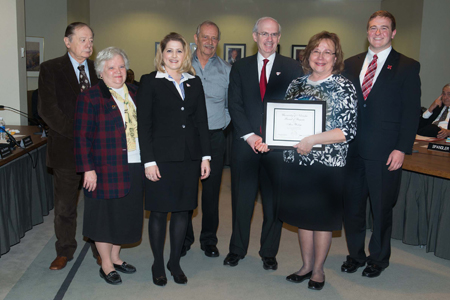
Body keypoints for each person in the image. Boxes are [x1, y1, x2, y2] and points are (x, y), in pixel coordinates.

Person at [258, 31, 357, 291]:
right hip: (297, 164)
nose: (321, 57)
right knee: (303, 218)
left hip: (327, 166)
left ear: (336, 57)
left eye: (327, 52)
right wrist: (274, 138)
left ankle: (319, 270)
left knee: (321, 220)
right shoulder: (297, 84)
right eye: (316, 51)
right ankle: (305, 265)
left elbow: (347, 131)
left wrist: (313, 139)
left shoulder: (343, 86)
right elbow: (287, 123)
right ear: (307, 55)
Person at [342, 11, 421, 278]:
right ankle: (355, 254)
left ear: (393, 33)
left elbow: (411, 112)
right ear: (367, 32)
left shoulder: (408, 66)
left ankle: (379, 258)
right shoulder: (350, 64)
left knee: (381, 208)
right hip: (351, 150)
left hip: (386, 152)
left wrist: (402, 148)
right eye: (373, 28)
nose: (378, 33)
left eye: (384, 28)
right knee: (352, 208)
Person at [225, 17, 303, 270]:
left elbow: (296, 107)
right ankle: (237, 249)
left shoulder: (293, 67)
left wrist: (273, 139)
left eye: (273, 34)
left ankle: (269, 252)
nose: (269, 39)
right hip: (245, 146)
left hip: (277, 150)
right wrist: (251, 136)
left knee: (273, 204)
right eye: (264, 34)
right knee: (242, 201)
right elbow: (234, 105)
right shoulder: (240, 67)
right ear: (255, 36)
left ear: (280, 38)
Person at [137, 32, 211, 286]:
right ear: (162, 54)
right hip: (160, 159)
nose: (174, 56)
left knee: (182, 212)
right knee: (158, 213)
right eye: (169, 50)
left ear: (185, 54)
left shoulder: (194, 82)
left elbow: (201, 122)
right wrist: (148, 161)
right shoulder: (150, 81)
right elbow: (143, 125)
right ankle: (158, 262)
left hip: (189, 159)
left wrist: (205, 156)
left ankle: (174, 262)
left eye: (179, 51)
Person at [74, 47, 143, 285]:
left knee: (123, 216)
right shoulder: (91, 96)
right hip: (102, 169)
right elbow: (81, 136)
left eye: (121, 66)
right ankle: (105, 264)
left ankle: (116, 257)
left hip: (134, 164)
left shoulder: (135, 92)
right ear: (101, 73)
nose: (117, 71)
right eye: (111, 67)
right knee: (104, 218)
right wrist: (87, 169)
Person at [38, 22, 99, 270]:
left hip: (97, 151)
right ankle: (64, 250)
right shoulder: (51, 69)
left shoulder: (98, 70)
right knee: (65, 206)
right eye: (83, 39)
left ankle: (100, 247)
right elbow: (48, 110)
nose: (88, 44)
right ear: (67, 41)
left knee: (98, 204)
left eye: (91, 40)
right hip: (66, 150)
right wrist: (80, 133)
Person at [183, 20, 231, 258]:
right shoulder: (181, 66)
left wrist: (223, 123)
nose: (210, 42)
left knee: (212, 193)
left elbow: (232, 104)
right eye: (206, 37)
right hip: (187, 138)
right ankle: (184, 237)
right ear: (196, 37)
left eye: (214, 38)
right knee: (187, 190)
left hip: (214, 137)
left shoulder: (226, 69)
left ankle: (209, 240)